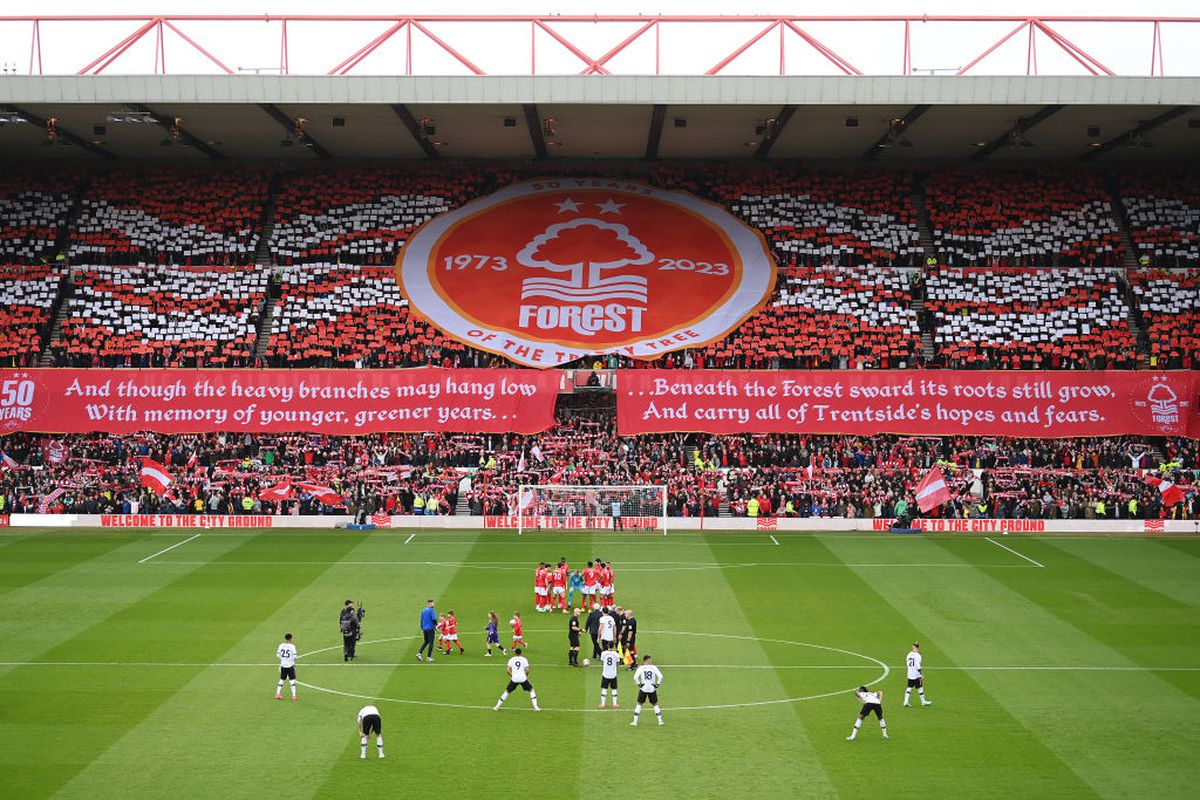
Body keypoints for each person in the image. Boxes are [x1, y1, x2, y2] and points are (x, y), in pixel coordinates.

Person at [630, 655, 664, 726]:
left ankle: (635, 721)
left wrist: (639, 684)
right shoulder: (654, 668)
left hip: (643, 688)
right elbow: (660, 677)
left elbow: (635, 677)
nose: (651, 661)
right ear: (647, 660)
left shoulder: (641, 668)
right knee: (655, 704)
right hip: (652, 688)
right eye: (650, 660)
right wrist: (657, 684)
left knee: (639, 703)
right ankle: (660, 721)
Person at [903, 642, 932, 707]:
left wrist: (910, 670)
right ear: (918, 647)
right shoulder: (918, 655)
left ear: (913, 647)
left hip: (910, 673)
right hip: (916, 674)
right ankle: (923, 701)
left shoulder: (909, 654)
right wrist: (921, 674)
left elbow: (907, 663)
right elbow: (917, 665)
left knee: (909, 687)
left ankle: (906, 701)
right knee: (920, 687)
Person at [275, 633, 298, 701]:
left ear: (285, 638)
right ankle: (294, 696)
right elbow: (295, 656)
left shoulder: (281, 645)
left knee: (282, 679)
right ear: (291, 638)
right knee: (292, 680)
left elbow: (277, 655)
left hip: (283, 665)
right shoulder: (292, 646)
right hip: (290, 665)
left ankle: (277, 694)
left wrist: (283, 659)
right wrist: (292, 662)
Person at [598, 643, 621, 708]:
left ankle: (602, 704)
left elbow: (602, 662)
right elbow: (617, 664)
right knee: (614, 689)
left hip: (605, 674)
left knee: (604, 689)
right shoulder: (616, 654)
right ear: (613, 646)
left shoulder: (603, 653)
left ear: (608, 646)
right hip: (613, 674)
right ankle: (615, 704)